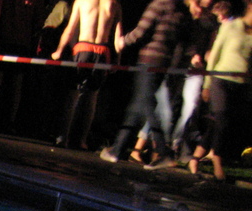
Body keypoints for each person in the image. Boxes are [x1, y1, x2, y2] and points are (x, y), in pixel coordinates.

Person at [99, 0, 189, 165]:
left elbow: (142, 31)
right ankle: (117, 149)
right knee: (137, 106)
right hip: (164, 62)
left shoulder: (158, 5)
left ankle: (163, 151)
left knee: (146, 104)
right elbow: (182, 41)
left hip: (149, 60)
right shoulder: (181, 10)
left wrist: (123, 41)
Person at [187, 0, 252, 181]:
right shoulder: (231, 26)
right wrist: (207, 84)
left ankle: (195, 159)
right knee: (222, 121)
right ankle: (217, 163)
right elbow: (215, 55)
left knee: (220, 125)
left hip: (241, 84)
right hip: (220, 80)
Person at [51, 0, 124, 149]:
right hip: (103, 52)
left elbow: (70, 29)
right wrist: (117, 59)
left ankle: (63, 138)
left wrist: (59, 50)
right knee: (92, 97)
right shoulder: (114, 4)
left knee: (73, 94)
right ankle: (81, 140)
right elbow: (118, 37)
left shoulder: (82, 1)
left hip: (83, 48)